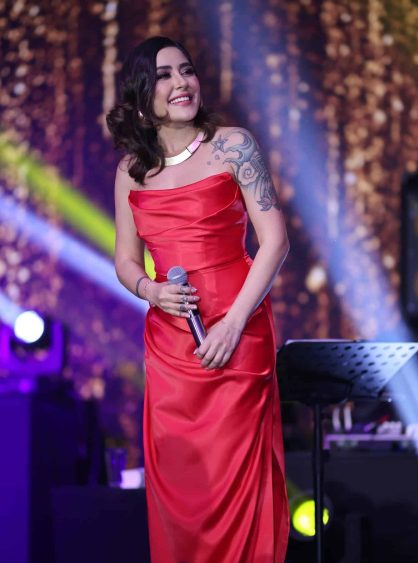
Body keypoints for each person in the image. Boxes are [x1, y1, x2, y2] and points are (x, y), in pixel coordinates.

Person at [107, 36, 290, 563]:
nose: (181, 82)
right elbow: (125, 260)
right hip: (170, 347)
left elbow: (275, 241)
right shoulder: (131, 170)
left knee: (238, 483)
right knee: (183, 490)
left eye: (186, 70)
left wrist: (233, 323)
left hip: (238, 332)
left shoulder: (233, 145)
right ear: (142, 94)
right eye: (163, 75)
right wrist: (150, 289)